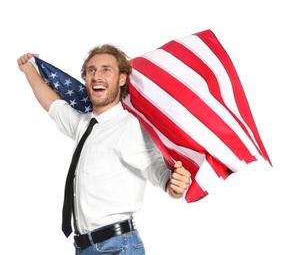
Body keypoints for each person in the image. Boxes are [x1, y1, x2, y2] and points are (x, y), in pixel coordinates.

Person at [17, 44, 191, 255]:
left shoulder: (131, 126)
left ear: (122, 79)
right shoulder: (84, 125)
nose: (97, 76)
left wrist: (173, 186)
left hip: (116, 247)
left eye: (106, 70)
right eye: (92, 70)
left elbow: (155, 168)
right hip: (84, 247)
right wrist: (28, 69)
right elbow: (54, 106)